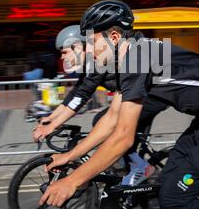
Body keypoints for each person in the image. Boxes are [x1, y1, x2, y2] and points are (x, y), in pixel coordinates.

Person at [39, 0, 199, 209]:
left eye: (92, 41)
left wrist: (73, 181)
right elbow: (111, 119)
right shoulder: (133, 55)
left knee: (174, 198)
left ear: (114, 37)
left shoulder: (138, 60)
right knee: (164, 185)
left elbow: (123, 138)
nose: (89, 50)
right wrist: (70, 157)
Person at [32, 25, 169, 187]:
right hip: (138, 93)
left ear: (79, 47)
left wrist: (53, 124)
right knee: (105, 124)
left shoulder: (97, 62)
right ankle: (127, 167)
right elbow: (75, 95)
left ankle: (140, 167)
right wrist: (50, 119)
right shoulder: (90, 65)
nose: (62, 58)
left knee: (106, 123)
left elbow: (80, 97)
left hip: (152, 95)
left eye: (64, 52)